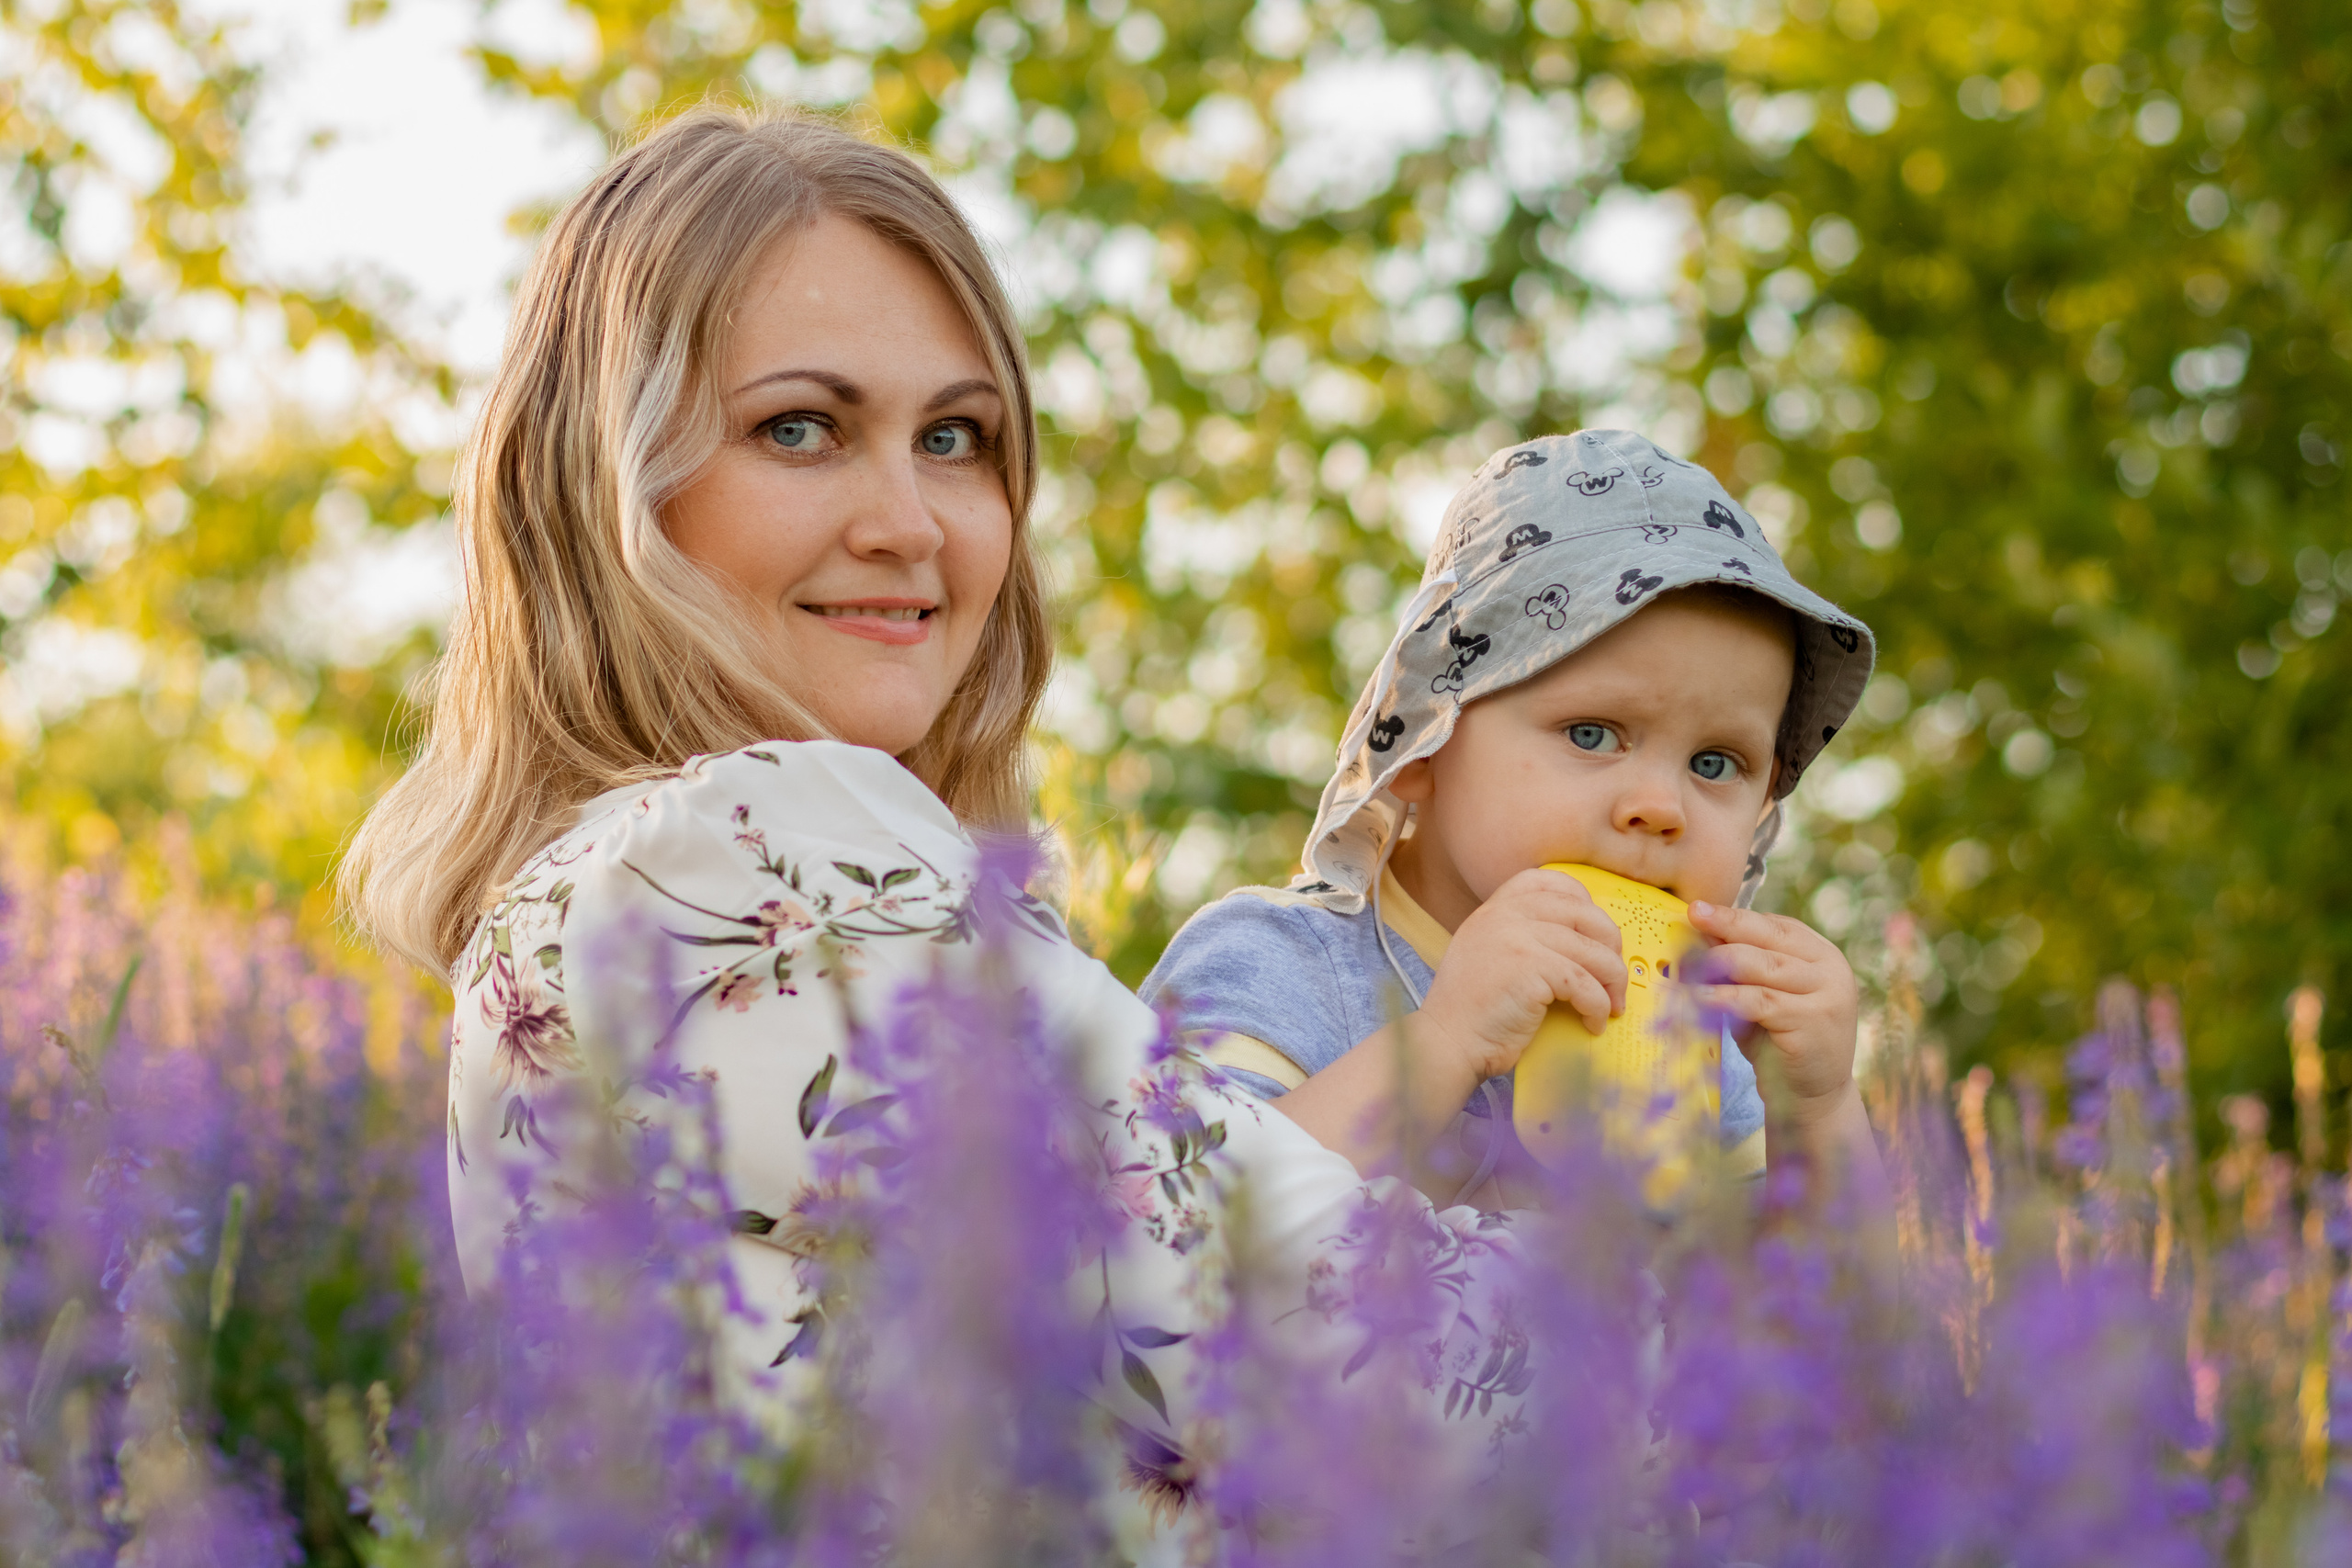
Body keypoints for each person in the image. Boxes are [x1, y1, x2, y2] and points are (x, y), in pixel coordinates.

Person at [337, 106, 1541, 1541]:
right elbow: (1395, 1357)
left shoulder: (627, 887)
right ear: (606, 490)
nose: (912, 521)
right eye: (802, 428)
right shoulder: (735, 851)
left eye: (957, 438)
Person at [1142, 431, 1891, 1217]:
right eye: (1593, 733)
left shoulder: (1712, 1054)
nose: (1662, 808)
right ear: (1424, 740)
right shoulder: (1279, 965)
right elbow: (1176, 1226)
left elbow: (1836, 1333)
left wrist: (1820, 1111)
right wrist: (1442, 1042)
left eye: (1714, 764)